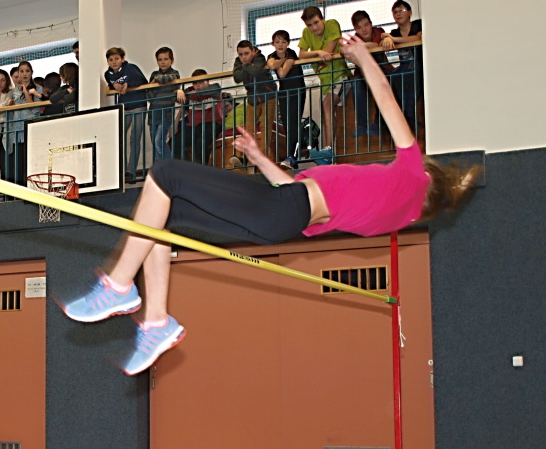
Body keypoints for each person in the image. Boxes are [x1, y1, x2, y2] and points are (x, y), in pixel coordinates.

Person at [59, 35, 478, 376]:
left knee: (165, 173)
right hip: (283, 216)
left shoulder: (413, 174)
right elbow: (295, 190)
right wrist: (259, 158)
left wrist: (362, 56)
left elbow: (385, 96)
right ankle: (155, 323)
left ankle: (117, 286)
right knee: (164, 211)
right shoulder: (400, 215)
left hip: (286, 208)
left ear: (430, 178)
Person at [297, 6, 352, 164]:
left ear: (322, 19)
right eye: (310, 25)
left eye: (316, 22)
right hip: (325, 81)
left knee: (327, 104)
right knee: (325, 110)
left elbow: (329, 50)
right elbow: (301, 54)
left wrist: (320, 53)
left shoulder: (332, 24)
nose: (314, 28)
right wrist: (317, 53)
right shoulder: (306, 33)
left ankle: (328, 150)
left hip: (340, 76)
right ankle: (327, 153)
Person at [104, 47, 148, 183]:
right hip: (124, 107)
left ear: (122, 59)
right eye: (111, 59)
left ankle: (131, 171)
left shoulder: (131, 68)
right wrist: (114, 86)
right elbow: (110, 85)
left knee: (134, 138)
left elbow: (143, 81)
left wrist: (127, 84)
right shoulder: (108, 74)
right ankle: (121, 171)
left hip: (138, 105)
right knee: (120, 138)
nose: (114, 62)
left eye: (117, 58)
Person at [380, 0, 423, 128]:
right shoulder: (394, 32)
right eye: (395, 12)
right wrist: (387, 38)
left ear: (410, 12)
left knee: (411, 74)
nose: (398, 14)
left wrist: (393, 39)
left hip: (419, 65)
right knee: (392, 77)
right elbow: (383, 41)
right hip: (405, 68)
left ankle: (409, 118)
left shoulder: (418, 24)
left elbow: (418, 38)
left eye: (401, 11)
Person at [267, 30, 307, 170]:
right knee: (286, 124)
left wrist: (279, 62)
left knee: (293, 124)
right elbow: (272, 65)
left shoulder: (291, 53)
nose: (280, 45)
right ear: (273, 44)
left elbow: (283, 73)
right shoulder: (271, 56)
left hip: (297, 91)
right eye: (277, 42)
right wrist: (280, 62)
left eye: (284, 42)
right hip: (284, 93)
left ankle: (291, 156)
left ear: (288, 43)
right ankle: (292, 157)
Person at [350, 10, 392, 138]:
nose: (364, 29)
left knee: (385, 82)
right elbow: (345, 50)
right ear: (355, 29)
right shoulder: (353, 39)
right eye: (359, 27)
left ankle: (379, 124)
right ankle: (361, 125)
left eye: (366, 25)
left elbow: (377, 44)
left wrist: (361, 46)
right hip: (362, 73)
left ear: (371, 23)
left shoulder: (379, 31)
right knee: (356, 82)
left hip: (382, 69)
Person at [233, 40, 277, 160]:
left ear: (253, 51)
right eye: (240, 54)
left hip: (268, 95)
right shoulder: (238, 61)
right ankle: (244, 157)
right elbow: (237, 77)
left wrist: (244, 66)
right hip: (252, 98)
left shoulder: (260, 57)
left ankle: (262, 156)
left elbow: (255, 71)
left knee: (265, 125)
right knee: (248, 127)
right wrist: (248, 66)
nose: (243, 57)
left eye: (246, 53)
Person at [172, 69, 223, 165]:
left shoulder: (215, 88)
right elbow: (174, 97)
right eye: (195, 83)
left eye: (201, 82)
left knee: (200, 143)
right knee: (174, 142)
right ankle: (186, 168)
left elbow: (211, 91)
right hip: (194, 126)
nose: (198, 85)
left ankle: (201, 170)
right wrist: (179, 91)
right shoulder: (189, 91)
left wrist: (189, 94)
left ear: (207, 81)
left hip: (213, 123)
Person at [146, 47, 186, 163]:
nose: (163, 62)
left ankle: (170, 166)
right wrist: (153, 87)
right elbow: (149, 96)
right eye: (160, 60)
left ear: (172, 60)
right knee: (155, 144)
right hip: (153, 114)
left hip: (166, 114)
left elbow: (170, 78)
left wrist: (178, 90)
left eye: (166, 59)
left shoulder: (174, 73)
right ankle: (160, 168)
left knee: (159, 142)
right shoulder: (154, 74)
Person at [9, 60, 43, 184]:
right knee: (18, 164)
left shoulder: (38, 88)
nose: (24, 74)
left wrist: (26, 92)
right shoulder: (14, 91)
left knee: (31, 163)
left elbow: (34, 108)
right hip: (17, 130)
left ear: (31, 73)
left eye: (27, 71)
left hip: (31, 128)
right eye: (21, 71)